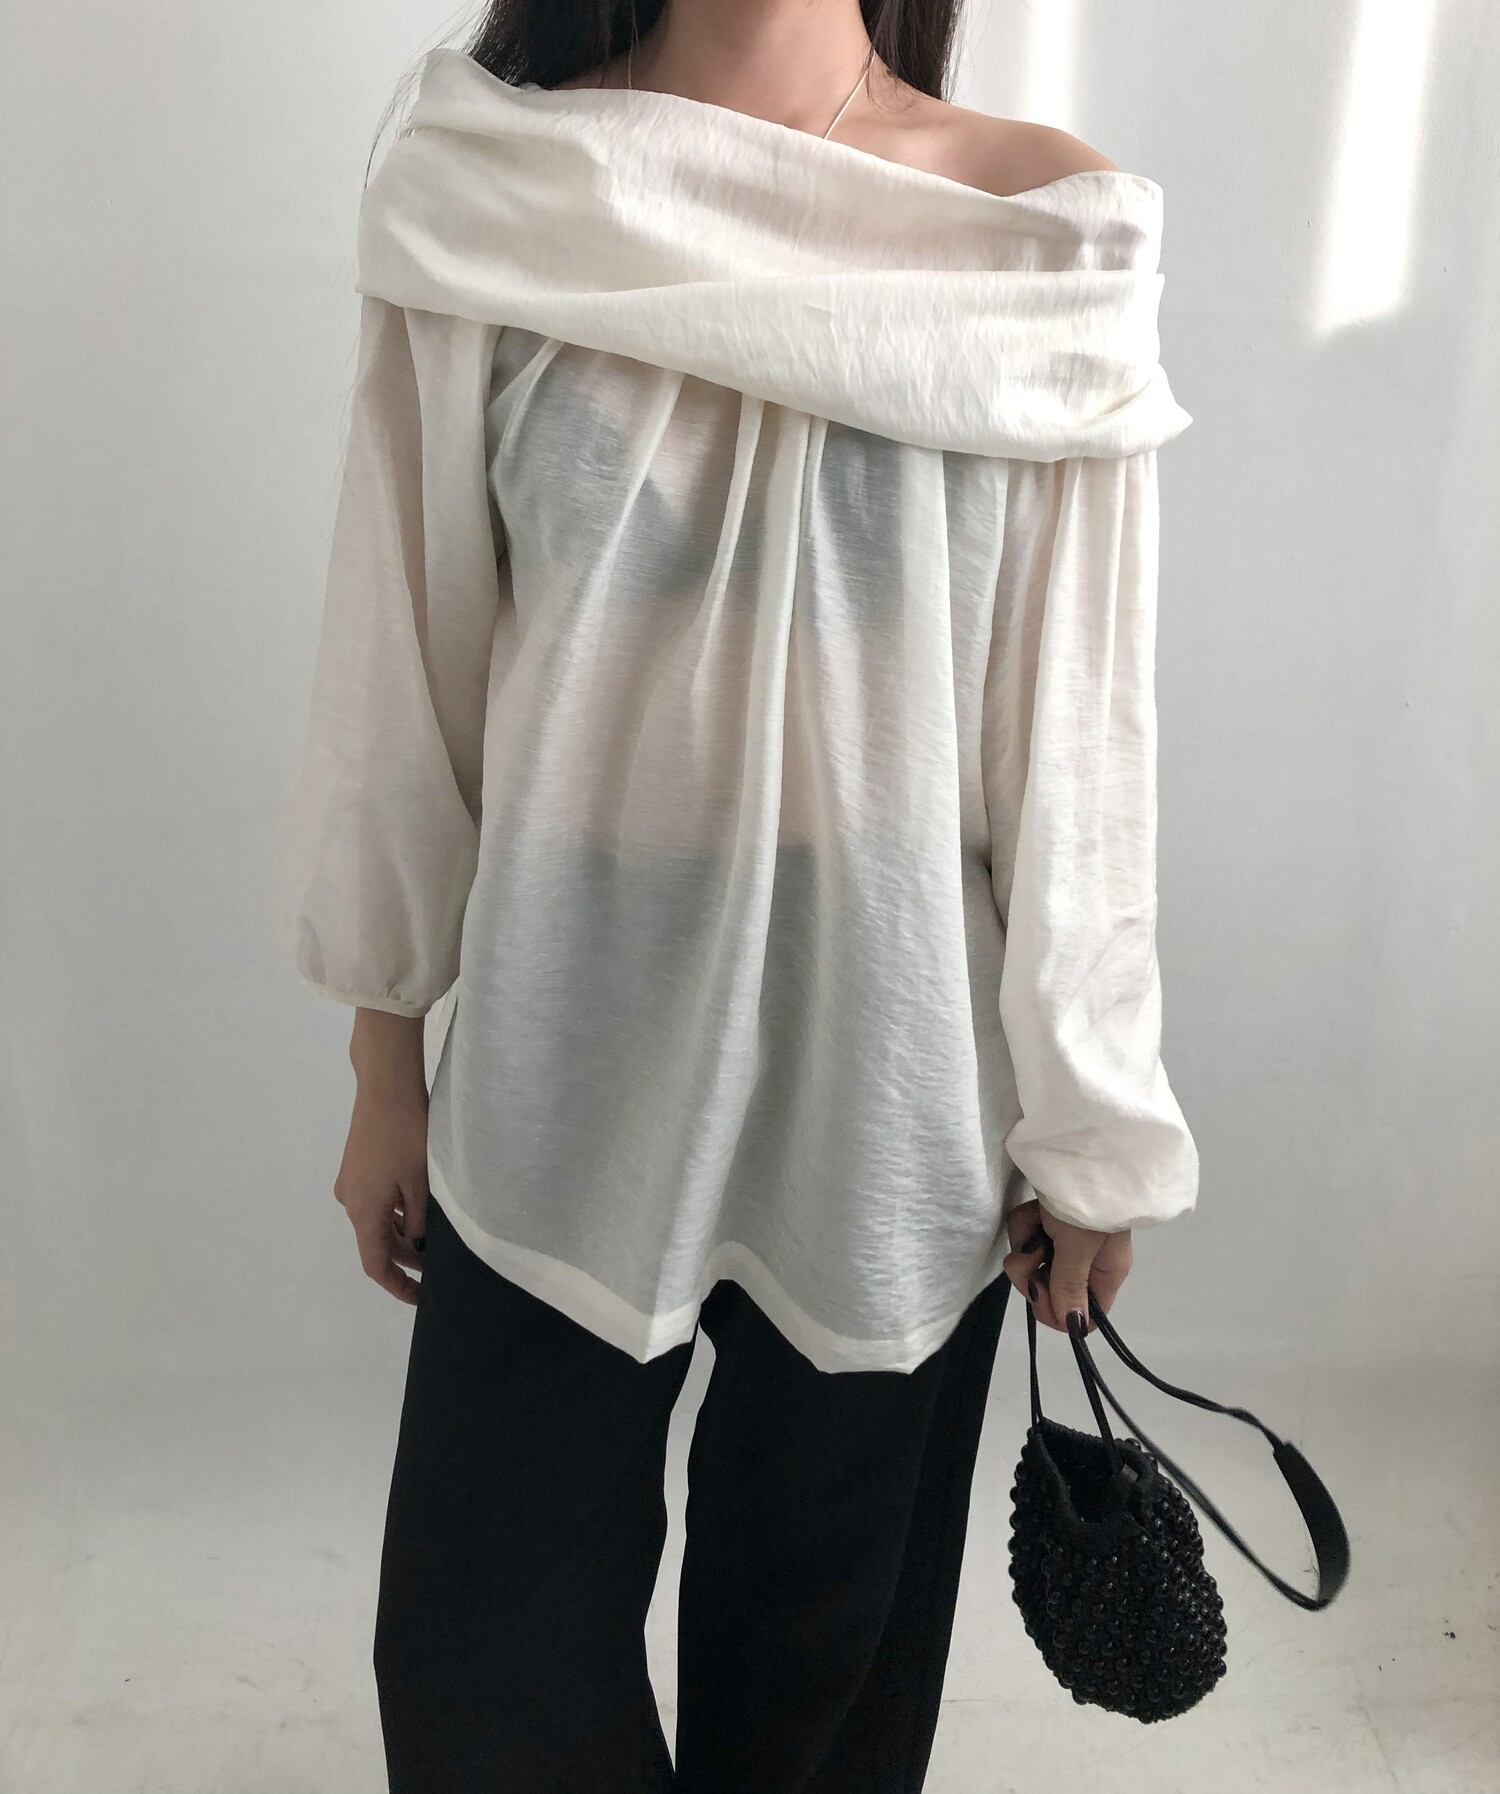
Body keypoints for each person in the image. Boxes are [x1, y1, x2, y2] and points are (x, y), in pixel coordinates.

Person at [271, 1, 1200, 1787]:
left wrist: (1091, 1126)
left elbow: (1075, 744)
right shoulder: (495, 182)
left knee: (822, 1700)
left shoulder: (1038, 239)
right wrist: (387, 1057)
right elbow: (406, 663)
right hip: (564, 1049)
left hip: (893, 1084)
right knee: (477, 1664)